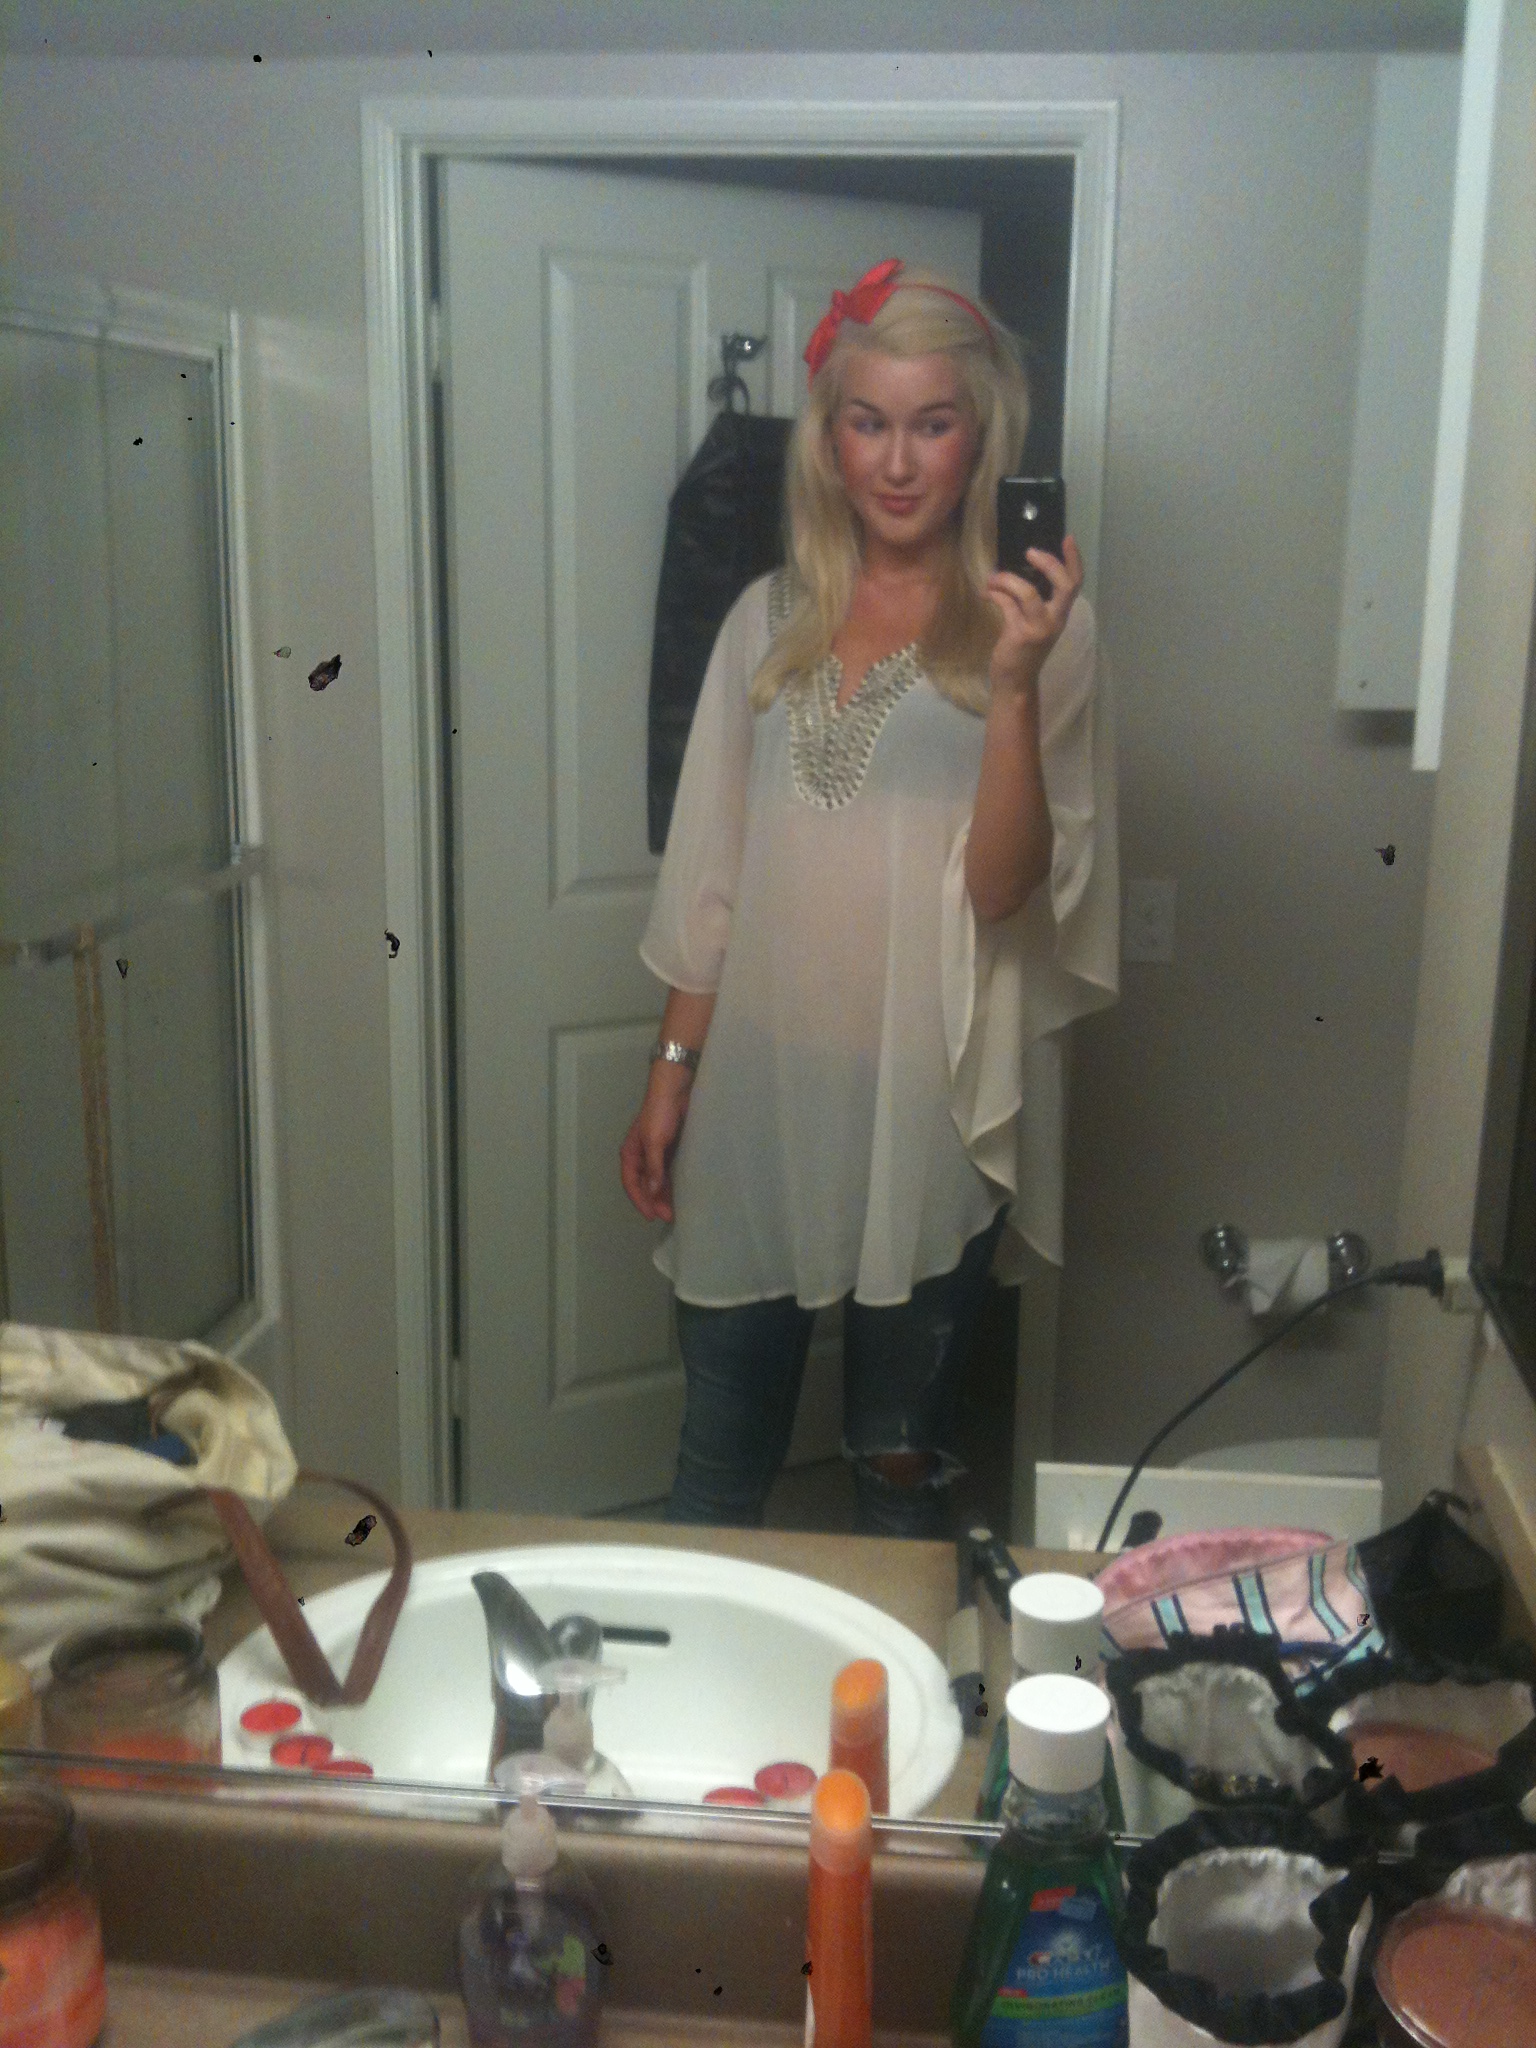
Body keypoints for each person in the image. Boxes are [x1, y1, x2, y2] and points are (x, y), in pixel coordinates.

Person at [620, 259, 1118, 1537]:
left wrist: (1015, 681)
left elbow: (1004, 887)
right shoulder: (767, 618)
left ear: (981, 436)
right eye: (868, 421)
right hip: (762, 1084)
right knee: (718, 1463)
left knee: (897, 1473)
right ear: (829, 438)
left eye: (932, 423)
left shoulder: (1042, 629)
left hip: (926, 1100)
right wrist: (672, 1072)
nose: (898, 463)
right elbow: (713, 872)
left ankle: (900, 1678)